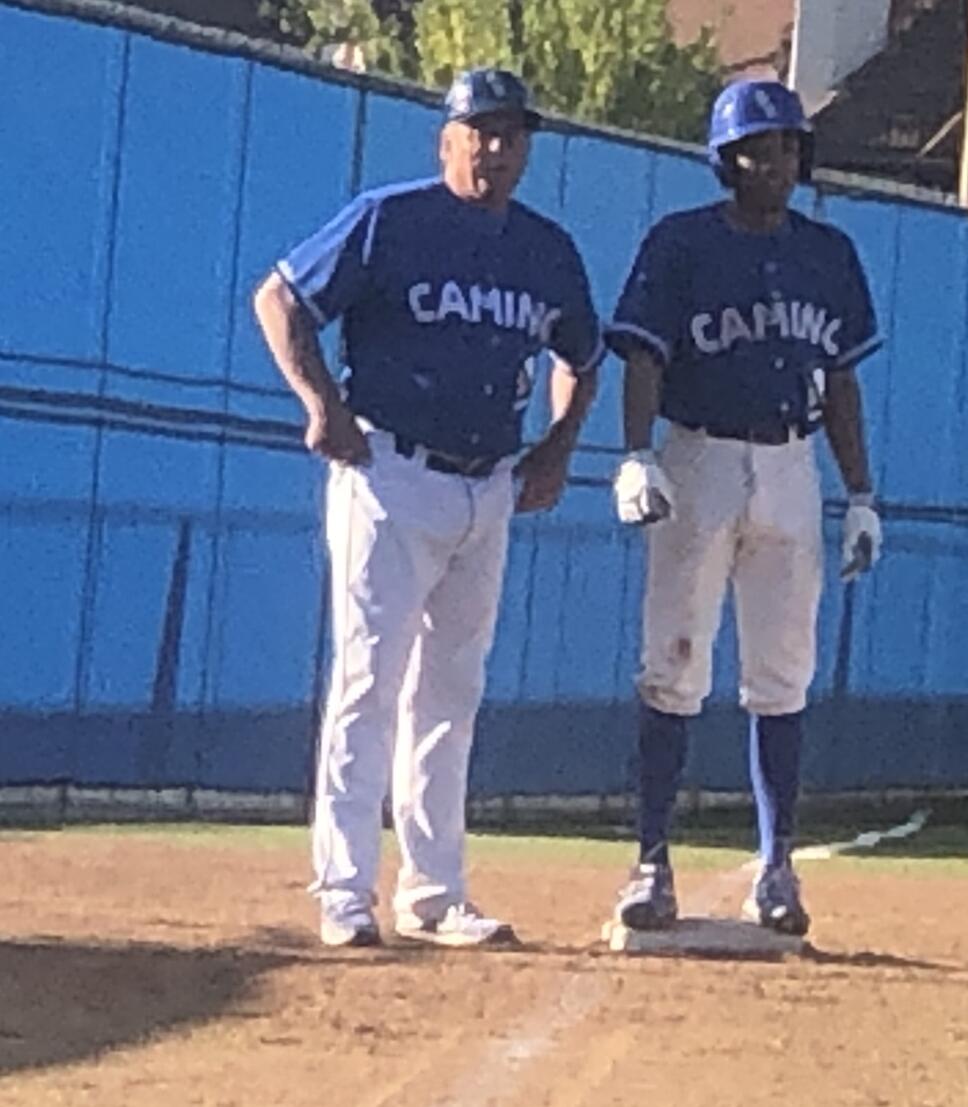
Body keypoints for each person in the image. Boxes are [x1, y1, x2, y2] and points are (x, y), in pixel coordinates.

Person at [253, 68, 601, 948]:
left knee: (452, 692)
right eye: (478, 130)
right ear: (446, 140)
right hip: (391, 470)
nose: (494, 147)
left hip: (489, 486)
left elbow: (583, 354)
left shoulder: (545, 248)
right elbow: (281, 298)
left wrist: (558, 445)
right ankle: (344, 890)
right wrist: (321, 403)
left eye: (510, 133)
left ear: (527, 148)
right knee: (370, 682)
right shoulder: (392, 217)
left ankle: (436, 891)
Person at [605, 78, 883, 937]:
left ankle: (778, 865)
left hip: (791, 460)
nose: (777, 163)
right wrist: (636, 450)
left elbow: (840, 380)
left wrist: (862, 492)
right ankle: (651, 861)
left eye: (790, 147)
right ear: (726, 160)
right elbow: (643, 356)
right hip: (699, 452)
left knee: (782, 670)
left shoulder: (828, 252)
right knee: (674, 660)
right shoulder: (682, 242)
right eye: (760, 149)